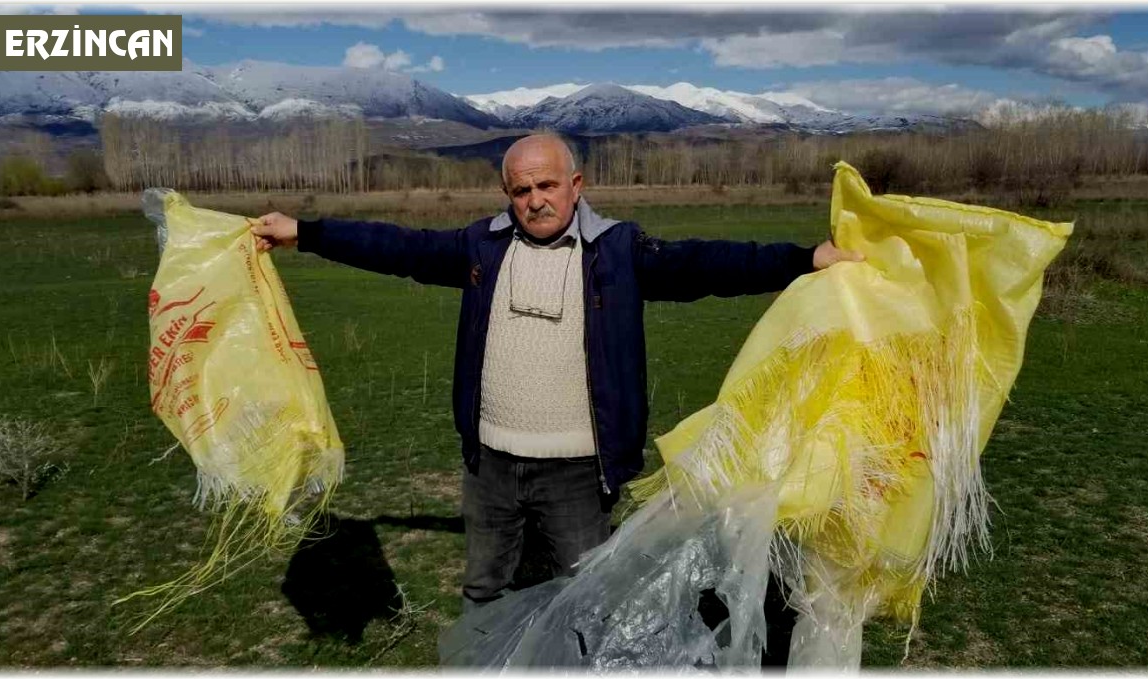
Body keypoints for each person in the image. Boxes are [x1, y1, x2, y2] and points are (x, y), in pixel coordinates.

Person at [250, 133, 862, 612]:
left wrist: (806, 258)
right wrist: (306, 232)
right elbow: (397, 247)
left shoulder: (618, 251)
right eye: (521, 190)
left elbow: (709, 263)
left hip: (577, 471)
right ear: (507, 193)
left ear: (575, 185)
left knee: (585, 597)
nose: (535, 200)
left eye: (547, 185)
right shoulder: (481, 248)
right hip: (490, 466)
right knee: (484, 589)